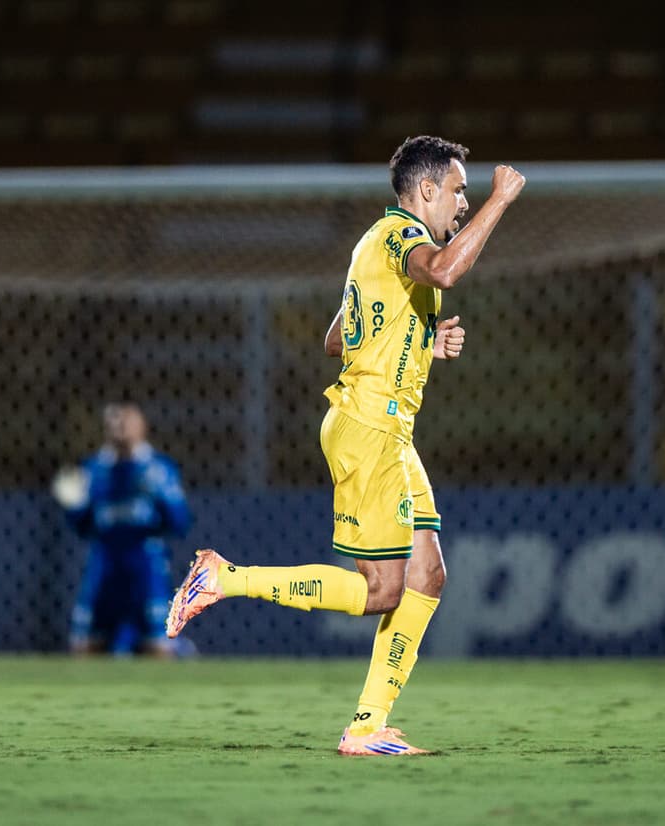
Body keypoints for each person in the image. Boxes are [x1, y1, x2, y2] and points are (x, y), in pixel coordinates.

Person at [166, 136, 525, 754]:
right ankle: (226, 578)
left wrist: (419, 341)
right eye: (460, 190)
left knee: (428, 574)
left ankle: (368, 727)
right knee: (384, 589)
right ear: (427, 190)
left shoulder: (374, 243)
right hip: (369, 428)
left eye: (471, 192)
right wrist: (500, 201)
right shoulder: (403, 239)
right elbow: (443, 270)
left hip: (388, 430)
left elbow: (338, 337)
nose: (464, 202)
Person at [53, 402, 192, 657]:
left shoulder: (158, 469)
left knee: (157, 647)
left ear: (142, 426)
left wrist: (162, 495)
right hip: (104, 565)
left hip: (145, 568)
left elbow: (180, 523)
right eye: (114, 422)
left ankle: (178, 659)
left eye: (126, 421)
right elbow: (83, 526)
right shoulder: (93, 469)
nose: (120, 428)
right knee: (85, 646)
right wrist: (72, 505)